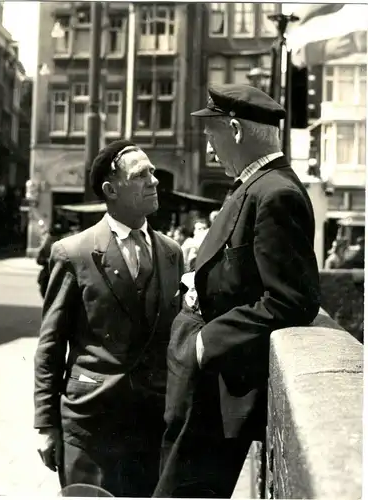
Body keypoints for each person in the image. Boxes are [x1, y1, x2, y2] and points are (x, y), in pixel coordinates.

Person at [154, 84, 321, 498]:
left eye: (212, 135)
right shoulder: (256, 185)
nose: (210, 150)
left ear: (235, 129)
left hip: (219, 375)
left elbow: (290, 301)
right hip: (207, 372)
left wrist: (206, 342)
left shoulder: (276, 193)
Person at [34, 140, 184, 497]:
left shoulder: (171, 253)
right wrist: (46, 425)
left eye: (153, 172)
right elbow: (51, 344)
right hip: (90, 426)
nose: (154, 181)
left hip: (151, 424)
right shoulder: (74, 253)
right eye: (141, 174)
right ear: (110, 189)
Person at [36, 222, 68, 298]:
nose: (54, 239)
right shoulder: (47, 244)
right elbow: (39, 259)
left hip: (60, 274)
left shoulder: (64, 244)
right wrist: (46, 260)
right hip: (49, 273)